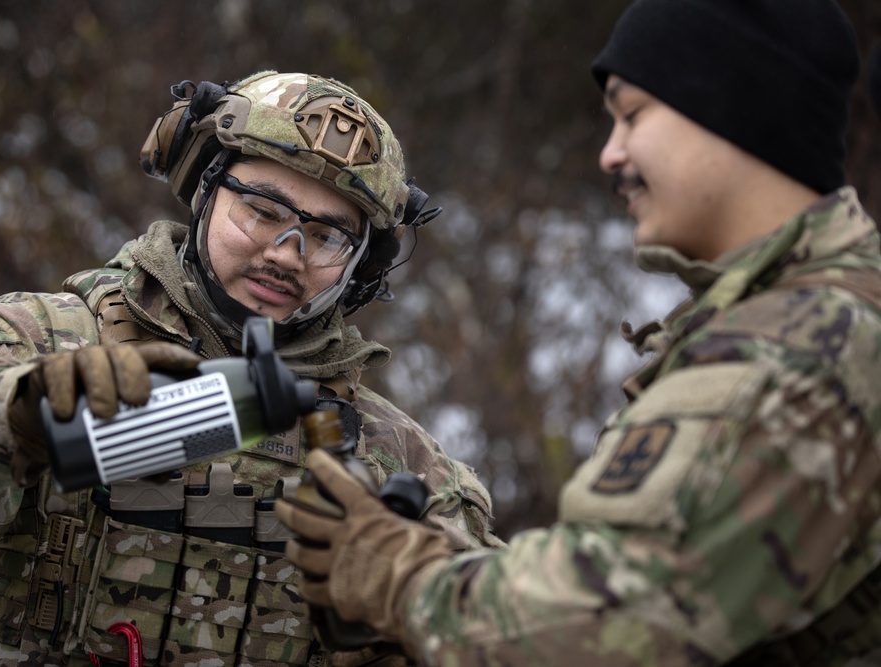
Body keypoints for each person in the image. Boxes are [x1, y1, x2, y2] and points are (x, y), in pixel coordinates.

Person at [275, 1, 881, 664]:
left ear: (729, 109)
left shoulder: (799, 347)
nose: (609, 153)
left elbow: (612, 625)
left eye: (633, 114)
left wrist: (402, 574)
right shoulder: (810, 316)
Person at [0, 70, 502, 666]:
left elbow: (532, 636)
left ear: (360, 266)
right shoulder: (46, 345)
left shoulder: (394, 459)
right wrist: (6, 418)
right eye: (262, 210)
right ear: (205, 190)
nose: (287, 255)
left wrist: (415, 604)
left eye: (327, 236)